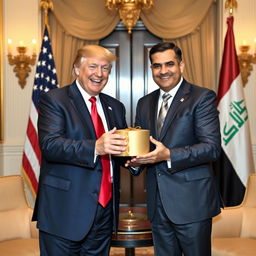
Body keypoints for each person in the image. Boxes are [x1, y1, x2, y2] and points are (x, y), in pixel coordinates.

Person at [126, 42, 222, 256]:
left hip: (192, 203)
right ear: (151, 69)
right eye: (156, 66)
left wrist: (168, 154)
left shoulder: (202, 97)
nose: (163, 71)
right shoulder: (144, 103)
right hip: (157, 204)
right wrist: (134, 162)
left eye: (169, 64)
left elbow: (211, 148)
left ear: (182, 65)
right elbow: (142, 146)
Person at [32, 45, 128, 256]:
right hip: (64, 212)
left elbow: (118, 150)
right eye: (93, 66)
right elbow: (50, 145)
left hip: (104, 212)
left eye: (105, 68)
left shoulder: (115, 106)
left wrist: (134, 161)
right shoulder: (55, 100)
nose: (99, 74)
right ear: (77, 69)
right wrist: (96, 146)